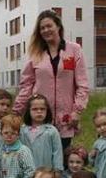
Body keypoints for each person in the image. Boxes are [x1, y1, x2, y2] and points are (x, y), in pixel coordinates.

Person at [13, 9, 90, 150]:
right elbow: (26, 85)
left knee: (61, 161)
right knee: (40, 162)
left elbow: (82, 85)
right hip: (40, 117)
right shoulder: (35, 54)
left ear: (58, 27)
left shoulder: (74, 50)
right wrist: (17, 110)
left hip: (65, 118)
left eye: (49, 26)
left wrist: (77, 111)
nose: (46, 30)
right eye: (42, 28)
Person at [20, 94, 63, 172]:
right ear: (28, 111)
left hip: (46, 172)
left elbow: (57, 152)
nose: (39, 111)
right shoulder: (22, 130)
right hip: (26, 172)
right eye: (35, 109)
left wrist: (57, 170)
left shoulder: (52, 131)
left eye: (42, 109)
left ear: (47, 111)